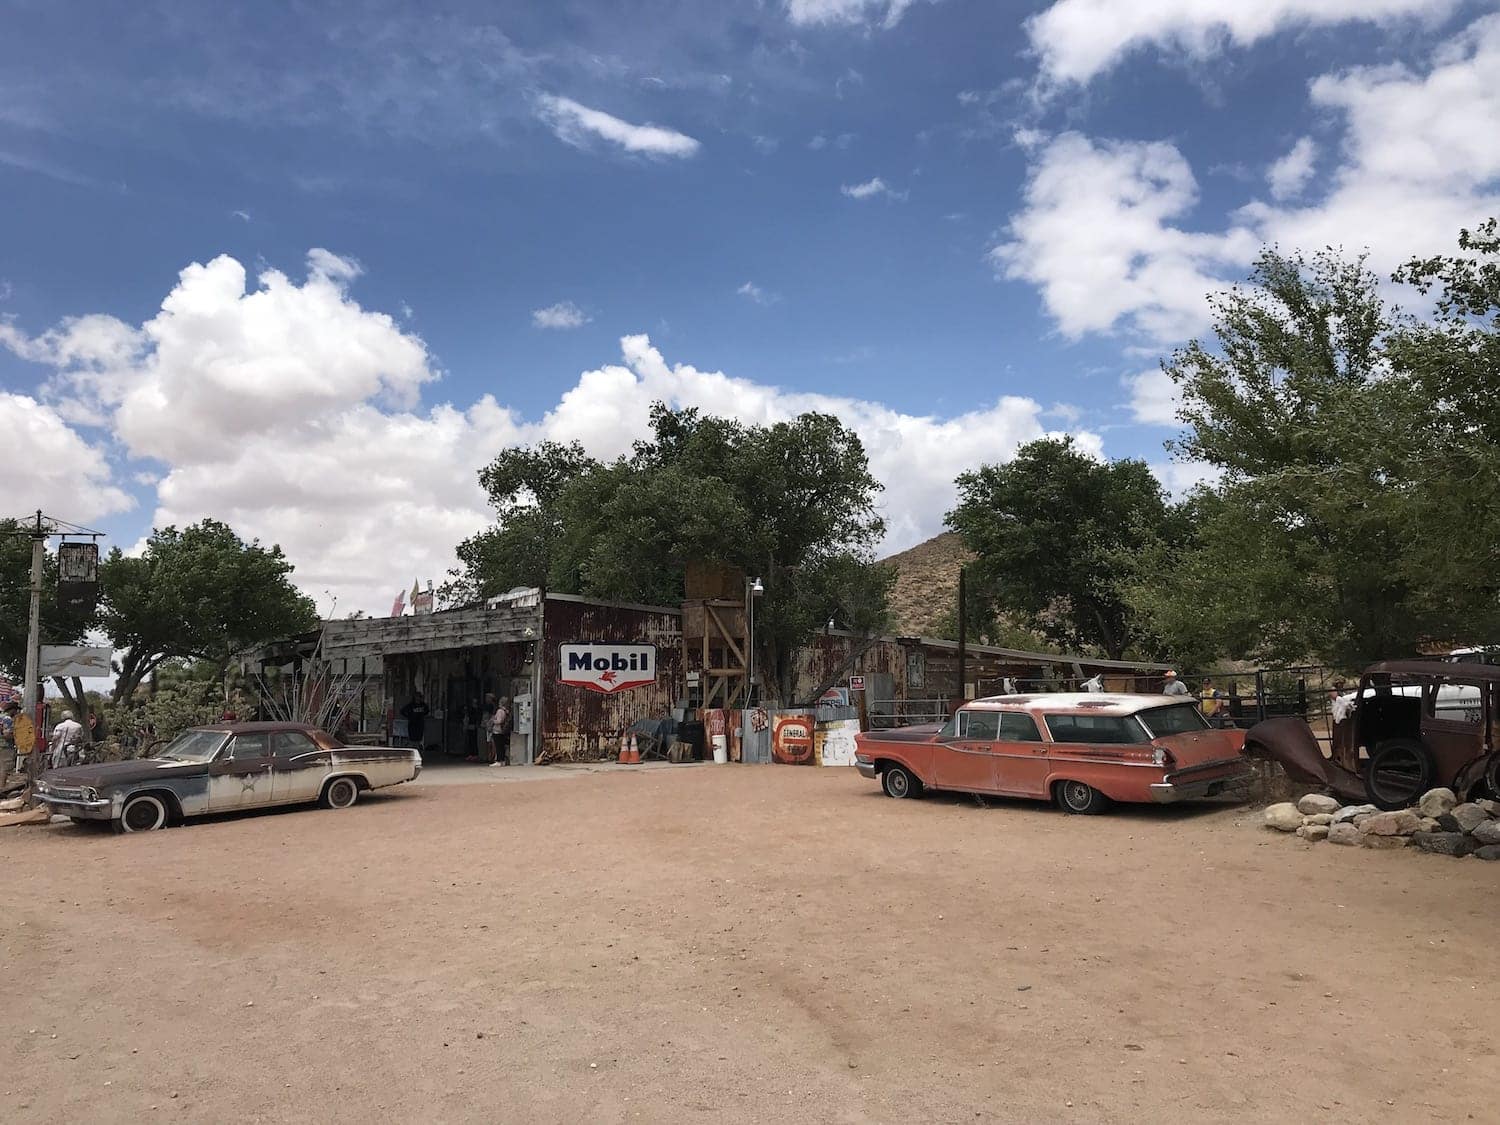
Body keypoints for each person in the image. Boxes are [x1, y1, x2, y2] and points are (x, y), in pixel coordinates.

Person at [487, 697, 512, 767]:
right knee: (501, 746)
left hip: (497, 730)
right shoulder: (506, 711)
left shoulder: (500, 711)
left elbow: (499, 721)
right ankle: (502, 761)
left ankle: (499, 761)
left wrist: (493, 721)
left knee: (498, 746)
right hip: (502, 730)